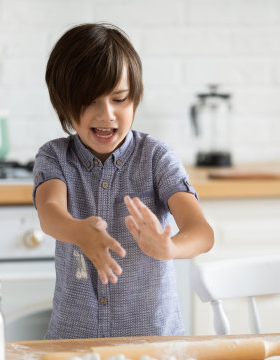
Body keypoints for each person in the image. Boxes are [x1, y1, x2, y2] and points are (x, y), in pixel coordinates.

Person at [33, 23, 214, 339]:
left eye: (119, 98)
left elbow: (202, 233)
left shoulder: (156, 158)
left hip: (154, 346)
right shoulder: (55, 157)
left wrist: (169, 247)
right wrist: (78, 231)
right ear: (64, 103)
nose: (107, 114)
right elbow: (49, 211)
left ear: (135, 98)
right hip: (73, 345)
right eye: (90, 101)